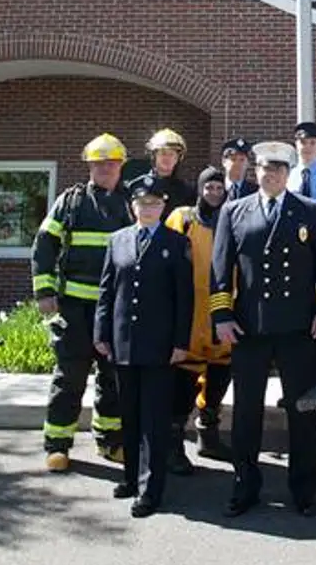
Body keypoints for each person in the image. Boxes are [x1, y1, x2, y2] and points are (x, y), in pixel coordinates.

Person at [210, 140, 316, 518]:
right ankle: (245, 486)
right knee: (246, 413)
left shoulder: (310, 211)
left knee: (302, 412)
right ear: (256, 172)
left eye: (279, 170)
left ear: (288, 174)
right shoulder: (234, 211)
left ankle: (304, 491)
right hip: (249, 328)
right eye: (265, 169)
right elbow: (219, 272)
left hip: (299, 328)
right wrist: (222, 316)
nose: (272, 175)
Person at [31, 133, 131, 472]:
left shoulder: (133, 202)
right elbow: (45, 244)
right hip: (74, 308)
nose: (105, 169)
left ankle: (110, 442)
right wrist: (45, 293)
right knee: (69, 377)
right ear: (89, 167)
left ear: (121, 166)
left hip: (115, 310)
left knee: (113, 378)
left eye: (111, 163)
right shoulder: (70, 201)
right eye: (98, 164)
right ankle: (57, 445)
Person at [94, 179, 193, 517]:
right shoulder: (117, 240)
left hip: (160, 346)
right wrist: (101, 333)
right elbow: (107, 293)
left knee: (154, 419)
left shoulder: (177, 243)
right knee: (130, 416)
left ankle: (151, 490)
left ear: (163, 207)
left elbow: (185, 299)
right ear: (132, 207)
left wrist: (181, 342)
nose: (148, 208)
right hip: (123, 342)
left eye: (154, 203)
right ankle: (131, 478)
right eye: (142, 203)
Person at [165, 166, 233, 472]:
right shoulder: (184, 218)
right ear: (200, 190)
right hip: (190, 313)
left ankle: (209, 434)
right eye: (209, 188)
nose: (215, 194)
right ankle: (174, 442)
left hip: (223, 312)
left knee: (219, 378)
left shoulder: (232, 219)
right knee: (184, 383)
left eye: (219, 188)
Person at [122, 128, 195, 217]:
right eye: (163, 153)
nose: (167, 158)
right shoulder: (136, 186)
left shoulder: (186, 192)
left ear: (178, 158)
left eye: (171, 154)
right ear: (154, 156)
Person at [221, 136, 257, 201]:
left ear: (248, 163)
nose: (238, 164)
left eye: (242, 160)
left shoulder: (256, 192)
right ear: (224, 162)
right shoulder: (214, 188)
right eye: (233, 159)